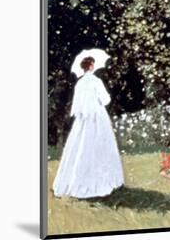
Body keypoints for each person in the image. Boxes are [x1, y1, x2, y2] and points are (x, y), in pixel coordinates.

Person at [52, 56, 125, 198]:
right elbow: (105, 99)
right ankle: (102, 181)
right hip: (97, 116)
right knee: (100, 144)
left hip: (83, 119)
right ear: (91, 66)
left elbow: (77, 104)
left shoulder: (79, 83)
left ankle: (74, 182)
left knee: (80, 145)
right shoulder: (96, 81)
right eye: (93, 64)